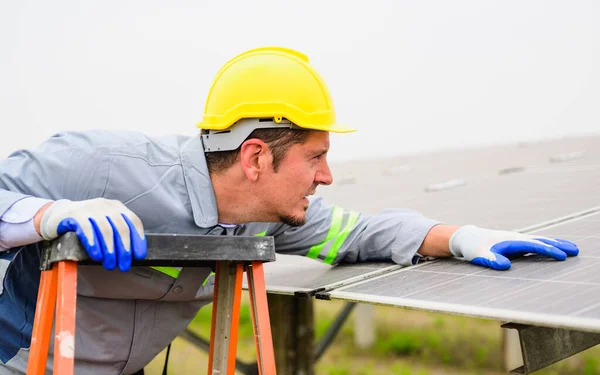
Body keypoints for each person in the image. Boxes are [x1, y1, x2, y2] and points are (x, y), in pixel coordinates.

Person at [0, 47, 578, 374]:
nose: (327, 176)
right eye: (316, 157)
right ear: (255, 156)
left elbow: (361, 235)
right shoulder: (101, 165)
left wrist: (460, 237)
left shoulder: (267, 213)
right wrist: (48, 214)